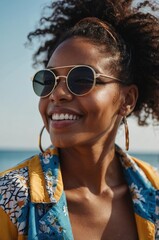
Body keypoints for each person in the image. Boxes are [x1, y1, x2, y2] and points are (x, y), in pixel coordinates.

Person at [0, 0, 159, 239]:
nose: (57, 94)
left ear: (127, 99)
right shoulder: (9, 198)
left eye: (82, 79)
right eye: (48, 80)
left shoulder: (155, 189)